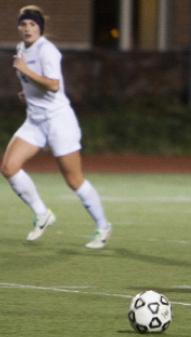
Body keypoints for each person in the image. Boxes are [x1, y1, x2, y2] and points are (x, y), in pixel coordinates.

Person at [1, 5, 112, 249]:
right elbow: (36, 85)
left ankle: (103, 226)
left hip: (58, 121)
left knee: (74, 180)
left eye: (32, 24)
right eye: (23, 24)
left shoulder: (47, 50)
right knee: (9, 167)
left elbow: (53, 85)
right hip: (35, 120)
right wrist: (26, 92)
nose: (28, 28)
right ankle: (42, 214)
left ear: (40, 27)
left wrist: (26, 71)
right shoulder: (21, 48)